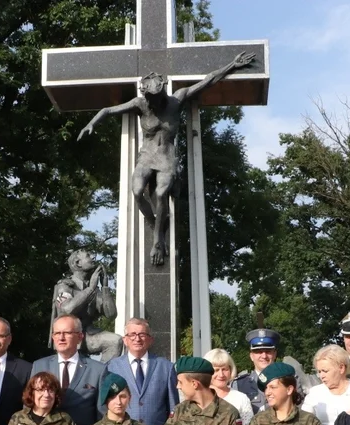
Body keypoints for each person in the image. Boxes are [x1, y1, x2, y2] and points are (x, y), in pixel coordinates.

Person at [77, 51, 255, 266]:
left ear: (162, 94)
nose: (151, 103)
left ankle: (158, 238)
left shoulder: (176, 100)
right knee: (136, 192)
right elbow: (107, 110)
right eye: (148, 99)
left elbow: (208, 81)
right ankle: (156, 224)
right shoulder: (140, 104)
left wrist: (232, 66)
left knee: (161, 194)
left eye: (154, 99)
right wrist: (91, 124)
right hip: (146, 156)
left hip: (166, 157)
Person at [233, 328, 280, 415]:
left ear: (275, 354)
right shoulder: (239, 385)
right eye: (258, 352)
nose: (264, 356)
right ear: (251, 356)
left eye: (268, 351)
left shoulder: (288, 380)